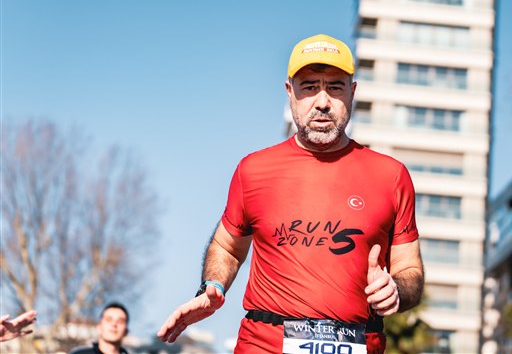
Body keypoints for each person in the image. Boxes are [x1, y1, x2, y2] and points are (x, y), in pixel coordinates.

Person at [157, 34, 424, 353]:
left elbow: (410, 270)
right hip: (264, 343)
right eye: (309, 87)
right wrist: (212, 285)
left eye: (335, 87)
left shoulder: (390, 176)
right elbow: (227, 247)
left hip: (359, 340)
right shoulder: (253, 170)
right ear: (289, 92)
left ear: (352, 92)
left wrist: (396, 289)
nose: (322, 101)